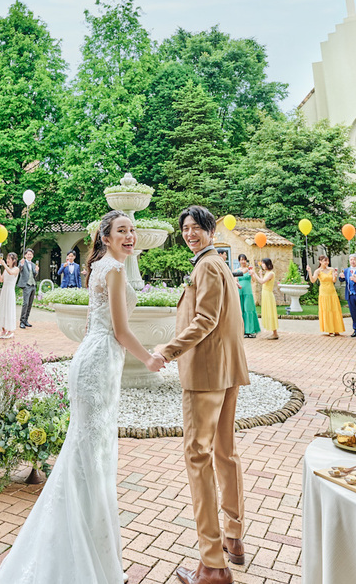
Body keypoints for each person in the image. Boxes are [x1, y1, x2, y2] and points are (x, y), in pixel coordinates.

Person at [0, 210, 159, 584]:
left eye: (132, 230)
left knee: (88, 454)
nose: (130, 236)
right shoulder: (113, 271)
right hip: (98, 364)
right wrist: (149, 358)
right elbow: (120, 330)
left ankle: (92, 550)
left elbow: (90, 324)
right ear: (106, 236)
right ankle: (89, 560)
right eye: (122, 231)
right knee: (92, 458)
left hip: (93, 360)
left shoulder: (100, 266)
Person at [148, 206, 249, 584]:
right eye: (185, 229)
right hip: (226, 370)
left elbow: (205, 319)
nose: (190, 234)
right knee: (225, 451)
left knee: (197, 455)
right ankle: (233, 538)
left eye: (196, 228)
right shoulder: (219, 263)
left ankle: (211, 564)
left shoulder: (206, 266)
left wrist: (166, 350)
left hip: (206, 372)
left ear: (209, 230)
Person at [308, 255, 344, 335]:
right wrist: (309, 271)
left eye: (327, 261)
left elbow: (334, 281)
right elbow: (313, 280)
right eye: (325, 261)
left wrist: (335, 276)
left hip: (332, 291)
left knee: (335, 309)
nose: (326, 262)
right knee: (327, 310)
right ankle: (330, 330)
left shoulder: (331, 269)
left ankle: (337, 329)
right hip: (324, 292)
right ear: (320, 261)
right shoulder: (318, 271)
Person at [235, 254, 260, 338]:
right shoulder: (237, 270)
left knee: (248, 310)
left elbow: (253, 280)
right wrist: (237, 284)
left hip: (248, 292)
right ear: (239, 261)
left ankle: (250, 330)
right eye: (241, 260)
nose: (243, 261)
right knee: (240, 311)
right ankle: (242, 330)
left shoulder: (249, 270)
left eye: (244, 260)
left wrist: (252, 274)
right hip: (240, 292)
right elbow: (235, 280)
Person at [0, 252, 19, 338]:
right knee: (3, 308)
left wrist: (4, 265)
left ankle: (10, 329)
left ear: (13, 260)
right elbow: (1, 280)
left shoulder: (16, 269)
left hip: (10, 291)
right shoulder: (5, 269)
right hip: (4, 290)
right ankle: (3, 328)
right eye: (7, 259)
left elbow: (10, 273)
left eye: (9, 259)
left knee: (9, 309)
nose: (7, 260)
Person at [255, 258, 279, 340]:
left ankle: (275, 333)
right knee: (268, 312)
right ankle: (274, 332)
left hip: (268, 294)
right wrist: (261, 274)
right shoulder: (268, 273)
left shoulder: (271, 273)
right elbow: (263, 282)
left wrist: (255, 274)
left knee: (270, 313)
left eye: (263, 263)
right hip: (265, 294)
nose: (262, 265)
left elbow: (262, 282)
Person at [17, 247, 38, 328]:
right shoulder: (22, 262)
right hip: (26, 285)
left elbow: (34, 275)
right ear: (25, 255)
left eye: (31, 254)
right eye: (28, 254)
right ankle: (21, 321)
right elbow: (20, 269)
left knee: (30, 303)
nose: (29, 256)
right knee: (25, 303)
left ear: (32, 256)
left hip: (33, 285)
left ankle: (26, 320)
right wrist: (21, 264)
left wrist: (37, 271)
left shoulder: (33, 264)